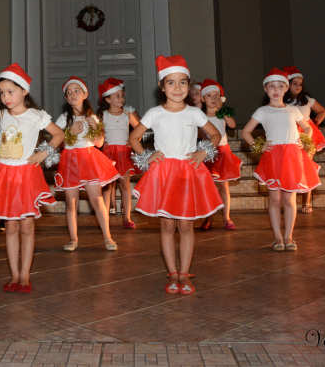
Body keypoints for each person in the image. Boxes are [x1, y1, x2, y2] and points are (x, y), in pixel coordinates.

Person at [129, 55, 223, 295]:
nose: (177, 87)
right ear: (162, 86)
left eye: (183, 82)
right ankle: (172, 272)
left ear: (189, 87)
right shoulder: (154, 113)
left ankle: (185, 272)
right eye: (171, 82)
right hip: (164, 173)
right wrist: (147, 156)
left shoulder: (194, 113)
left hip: (189, 171)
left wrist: (204, 151)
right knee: (167, 225)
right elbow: (134, 137)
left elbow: (215, 135)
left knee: (186, 226)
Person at [0, 64, 64, 293]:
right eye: (2, 92)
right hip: (5, 174)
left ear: (24, 92)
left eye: (11, 91)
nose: (5, 97)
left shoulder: (36, 116)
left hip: (26, 174)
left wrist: (43, 152)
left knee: (27, 227)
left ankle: (25, 275)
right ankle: (13, 274)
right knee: (10, 227)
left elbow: (59, 134)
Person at [241, 68, 320, 253]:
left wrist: (304, 140)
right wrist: (258, 146)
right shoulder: (262, 111)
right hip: (273, 157)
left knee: (289, 199)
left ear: (286, 89)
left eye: (280, 86)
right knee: (275, 199)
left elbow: (307, 128)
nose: (276, 90)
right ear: (265, 88)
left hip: (292, 156)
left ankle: (288, 236)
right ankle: (277, 237)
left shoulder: (293, 109)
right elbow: (245, 132)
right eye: (271, 86)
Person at [54, 76, 120, 252]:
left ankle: (108, 237)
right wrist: (70, 133)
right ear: (66, 98)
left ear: (85, 94)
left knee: (97, 200)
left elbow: (98, 143)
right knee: (71, 202)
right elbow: (57, 141)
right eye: (69, 92)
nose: (73, 94)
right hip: (70, 161)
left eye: (77, 91)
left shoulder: (92, 118)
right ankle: (73, 239)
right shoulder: (63, 119)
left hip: (89, 159)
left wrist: (94, 129)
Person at [282, 66, 325, 214]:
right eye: (294, 83)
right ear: (288, 84)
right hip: (289, 134)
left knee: (306, 166)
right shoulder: (282, 100)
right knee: (290, 167)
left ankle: (306, 202)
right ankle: (290, 201)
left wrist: (315, 123)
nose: (297, 87)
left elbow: (322, 111)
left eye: (300, 84)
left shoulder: (307, 99)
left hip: (307, 135)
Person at [97, 78, 140, 229]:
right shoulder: (103, 116)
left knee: (125, 185)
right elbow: (95, 133)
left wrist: (133, 140)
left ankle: (127, 216)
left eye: (122, 95)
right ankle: (106, 215)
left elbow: (140, 128)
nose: (121, 99)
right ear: (107, 99)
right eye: (117, 96)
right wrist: (101, 141)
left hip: (124, 152)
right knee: (108, 186)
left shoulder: (127, 115)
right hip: (108, 153)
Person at [198, 79, 240, 230]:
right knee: (207, 187)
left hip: (223, 152)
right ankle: (207, 217)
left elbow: (233, 124)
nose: (213, 98)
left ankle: (226, 217)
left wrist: (223, 109)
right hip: (207, 154)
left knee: (224, 187)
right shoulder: (200, 116)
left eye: (216, 95)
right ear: (202, 98)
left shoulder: (222, 115)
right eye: (209, 95)